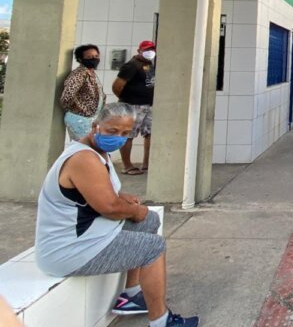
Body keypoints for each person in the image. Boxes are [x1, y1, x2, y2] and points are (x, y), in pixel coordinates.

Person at [35, 103, 198, 326]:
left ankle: (132, 296)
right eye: (112, 131)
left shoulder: (97, 152)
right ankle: (161, 321)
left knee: (150, 220)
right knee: (153, 247)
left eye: (125, 133)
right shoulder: (84, 159)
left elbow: (98, 192)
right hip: (69, 249)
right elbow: (110, 208)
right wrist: (134, 209)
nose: (118, 138)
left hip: (85, 235)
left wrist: (123, 197)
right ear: (95, 126)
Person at [113, 40, 156, 175]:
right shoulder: (131, 66)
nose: (150, 52)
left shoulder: (149, 64)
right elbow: (116, 86)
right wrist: (127, 101)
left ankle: (146, 164)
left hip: (148, 105)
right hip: (132, 106)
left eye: (152, 50)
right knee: (128, 135)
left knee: (149, 133)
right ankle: (127, 165)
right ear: (139, 51)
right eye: (147, 50)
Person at [60, 44, 106, 140]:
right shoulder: (79, 74)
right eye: (89, 57)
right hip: (80, 119)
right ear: (80, 59)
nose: (94, 59)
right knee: (85, 145)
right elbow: (66, 97)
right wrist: (79, 110)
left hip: (89, 118)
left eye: (96, 56)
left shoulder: (91, 73)